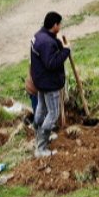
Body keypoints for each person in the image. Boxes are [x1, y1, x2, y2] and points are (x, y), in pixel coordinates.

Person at [30, 11, 70, 157]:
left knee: (41, 110)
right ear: (55, 25)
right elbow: (52, 63)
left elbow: (50, 49)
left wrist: (58, 44)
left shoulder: (39, 36)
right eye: (59, 24)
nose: (60, 27)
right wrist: (66, 50)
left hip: (40, 81)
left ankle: (38, 137)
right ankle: (41, 148)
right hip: (49, 83)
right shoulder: (47, 43)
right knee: (53, 114)